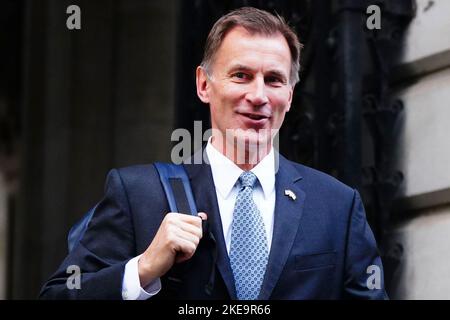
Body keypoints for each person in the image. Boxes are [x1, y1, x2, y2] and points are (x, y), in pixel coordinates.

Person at [40, 7, 387, 300]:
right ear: (204, 84)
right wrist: (142, 270)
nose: (258, 95)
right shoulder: (137, 194)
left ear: (291, 95)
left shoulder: (337, 207)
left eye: (274, 80)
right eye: (241, 75)